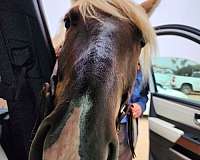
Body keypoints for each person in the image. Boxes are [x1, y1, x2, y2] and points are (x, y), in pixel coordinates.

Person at [119, 62, 149, 160]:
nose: (137, 66)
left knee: (126, 155)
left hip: (130, 127)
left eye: (140, 63)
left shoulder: (144, 75)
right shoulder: (114, 69)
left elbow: (143, 97)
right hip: (111, 125)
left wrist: (140, 106)